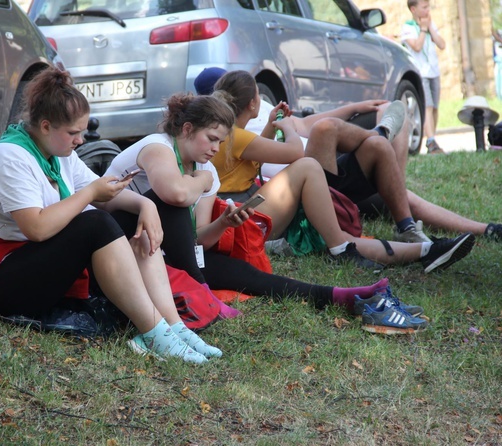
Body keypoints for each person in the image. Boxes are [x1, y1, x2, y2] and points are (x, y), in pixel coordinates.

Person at [0, 68, 222, 364]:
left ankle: (173, 326)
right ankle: (155, 334)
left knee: (130, 222)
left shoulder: (61, 154)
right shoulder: (9, 156)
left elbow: (104, 191)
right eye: (73, 133)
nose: (80, 140)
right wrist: (90, 195)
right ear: (46, 126)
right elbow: (37, 227)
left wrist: (146, 207)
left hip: (35, 263)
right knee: (96, 224)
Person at [105, 92, 429, 334]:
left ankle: (344, 296)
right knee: (174, 203)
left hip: (169, 254)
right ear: (187, 128)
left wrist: (221, 223)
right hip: (119, 242)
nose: (216, 149)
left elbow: (194, 241)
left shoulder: (205, 169)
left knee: (254, 279)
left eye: (221, 142)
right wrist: (202, 180)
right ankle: (203, 294)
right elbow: (174, 194)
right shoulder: (158, 146)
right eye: (211, 139)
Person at [194, 67, 502, 243]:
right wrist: (285, 127)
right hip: (313, 190)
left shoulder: (248, 127)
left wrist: (355, 108)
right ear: (251, 101)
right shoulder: (233, 135)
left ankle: (386, 155)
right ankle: (383, 149)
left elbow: (303, 124)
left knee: (364, 135)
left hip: (326, 179)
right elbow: (292, 147)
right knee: (332, 131)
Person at [401, 0, 446, 155]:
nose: (428, 10)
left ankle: (433, 137)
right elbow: (417, 47)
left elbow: (442, 44)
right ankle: (431, 141)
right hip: (421, 72)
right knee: (427, 106)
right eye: (424, 7)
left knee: (434, 107)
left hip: (434, 71)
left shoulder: (431, 25)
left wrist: (430, 29)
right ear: (413, 9)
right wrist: (423, 29)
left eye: (429, 7)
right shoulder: (407, 27)